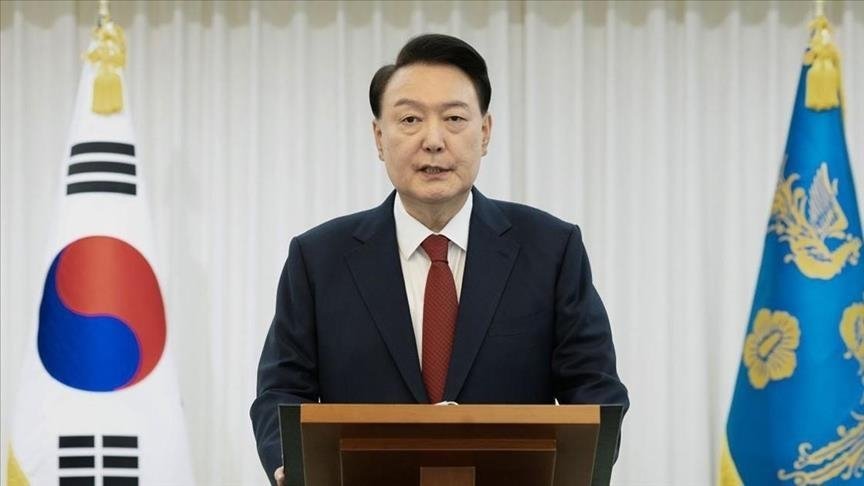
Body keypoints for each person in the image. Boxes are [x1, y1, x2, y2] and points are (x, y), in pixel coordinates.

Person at [250, 33, 629, 486]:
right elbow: (282, 390)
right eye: (410, 119)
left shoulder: (551, 249)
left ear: (484, 132)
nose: (433, 140)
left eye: (454, 119)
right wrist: (290, 466)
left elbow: (594, 389)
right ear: (379, 137)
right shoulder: (318, 259)